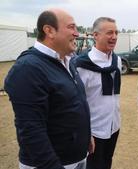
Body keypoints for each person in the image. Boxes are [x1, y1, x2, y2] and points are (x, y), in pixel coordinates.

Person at [4, 9, 91, 169]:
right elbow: (31, 132)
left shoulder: (66, 61)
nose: (77, 33)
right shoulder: (28, 69)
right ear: (49, 30)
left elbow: (75, 103)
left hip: (76, 158)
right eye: (71, 27)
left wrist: (86, 135)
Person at [75, 17, 121, 169]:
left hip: (113, 125)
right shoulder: (81, 65)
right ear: (95, 35)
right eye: (109, 33)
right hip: (93, 131)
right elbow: (77, 103)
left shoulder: (117, 61)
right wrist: (85, 132)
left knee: (107, 162)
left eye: (116, 32)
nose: (114, 37)